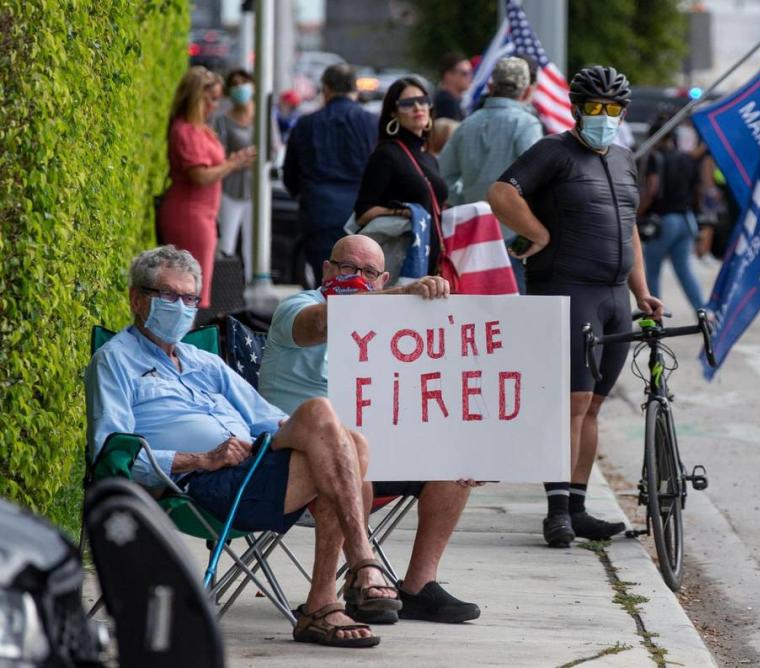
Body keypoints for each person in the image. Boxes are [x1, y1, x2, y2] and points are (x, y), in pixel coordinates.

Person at [85, 245, 403, 648]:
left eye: (188, 299)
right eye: (167, 296)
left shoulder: (205, 362)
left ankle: (331, 595)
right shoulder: (114, 361)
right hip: (203, 485)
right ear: (136, 298)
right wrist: (202, 458)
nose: (179, 306)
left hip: (253, 464)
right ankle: (350, 578)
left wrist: (322, 437)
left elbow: (266, 416)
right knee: (335, 433)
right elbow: (111, 454)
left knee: (343, 441)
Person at [259, 235, 481, 624]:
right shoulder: (297, 307)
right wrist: (404, 295)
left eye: (368, 272)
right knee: (350, 448)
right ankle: (362, 582)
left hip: (374, 449)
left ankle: (418, 586)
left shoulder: (395, 326)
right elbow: (327, 323)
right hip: (300, 460)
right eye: (347, 268)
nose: (357, 277)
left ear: (383, 278)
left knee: (455, 457)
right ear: (327, 269)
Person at [488, 66, 664, 548]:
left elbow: (627, 227)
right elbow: (501, 192)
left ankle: (580, 505)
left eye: (611, 109)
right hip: (566, 288)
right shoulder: (554, 151)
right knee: (570, 404)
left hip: (612, 296)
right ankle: (557, 510)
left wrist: (642, 291)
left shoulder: (627, 159)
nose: (602, 117)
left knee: (593, 409)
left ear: (622, 113)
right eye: (593, 108)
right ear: (576, 108)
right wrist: (539, 234)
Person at [439, 56, 542, 293]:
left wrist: (466, 202)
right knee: (517, 308)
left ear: (491, 87)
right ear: (526, 90)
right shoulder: (526, 124)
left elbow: (443, 175)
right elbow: (538, 177)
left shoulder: (467, 124)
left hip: (474, 230)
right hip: (516, 234)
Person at [158, 66, 255, 308]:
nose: (215, 105)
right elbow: (200, 176)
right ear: (196, 97)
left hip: (203, 214)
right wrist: (233, 163)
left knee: (194, 289)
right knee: (188, 292)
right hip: (190, 215)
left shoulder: (200, 128)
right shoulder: (187, 130)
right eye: (211, 99)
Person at [283, 64, 378, 282]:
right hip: (361, 217)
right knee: (363, 285)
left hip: (319, 213)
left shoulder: (306, 125)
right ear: (355, 89)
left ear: (325, 89)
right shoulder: (372, 124)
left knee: (325, 283)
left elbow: (291, 177)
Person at [354, 77, 448, 274]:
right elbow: (363, 213)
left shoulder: (429, 157)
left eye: (423, 100)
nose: (417, 107)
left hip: (433, 257)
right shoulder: (386, 154)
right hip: (401, 260)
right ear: (393, 113)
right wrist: (403, 212)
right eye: (407, 103)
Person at [636, 121, 705, 312]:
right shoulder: (686, 158)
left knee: (651, 272)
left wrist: (636, 214)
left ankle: (653, 316)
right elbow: (698, 191)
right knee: (684, 271)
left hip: (664, 221)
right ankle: (703, 314)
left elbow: (652, 189)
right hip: (686, 219)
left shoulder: (655, 158)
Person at [213, 69, 256, 283]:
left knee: (254, 242)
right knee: (227, 241)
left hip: (256, 189)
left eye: (244, 83)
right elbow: (218, 152)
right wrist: (238, 159)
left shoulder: (262, 117)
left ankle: (251, 284)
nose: (241, 88)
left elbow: (273, 148)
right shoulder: (222, 120)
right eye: (235, 84)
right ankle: (226, 287)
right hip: (230, 187)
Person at [433, 52, 472, 121]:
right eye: (465, 73)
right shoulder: (447, 101)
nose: (470, 77)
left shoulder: (451, 100)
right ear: (448, 75)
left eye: (471, 72)